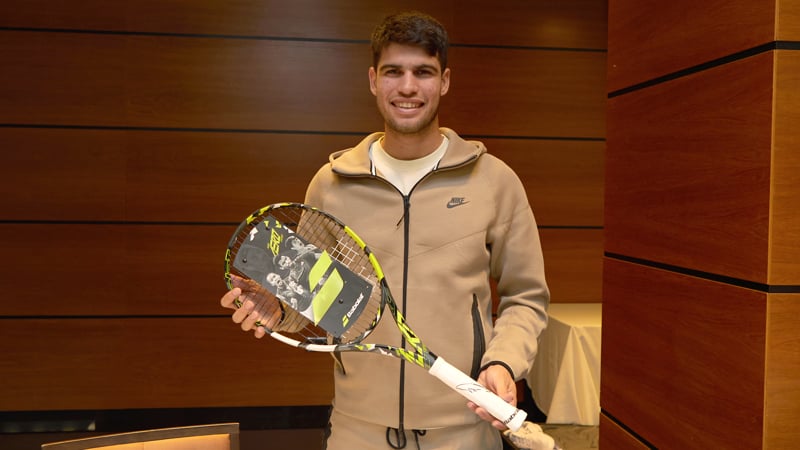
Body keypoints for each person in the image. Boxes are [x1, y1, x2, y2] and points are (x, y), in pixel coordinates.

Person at [221, 11, 549, 450]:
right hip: (358, 429)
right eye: (394, 72)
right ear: (374, 80)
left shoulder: (494, 181)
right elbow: (313, 298)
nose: (408, 87)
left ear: (445, 81)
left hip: (463, 431)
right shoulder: (331, 182)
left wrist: (505, 363)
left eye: (423, 72)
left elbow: (526, 297)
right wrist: (277, 307)